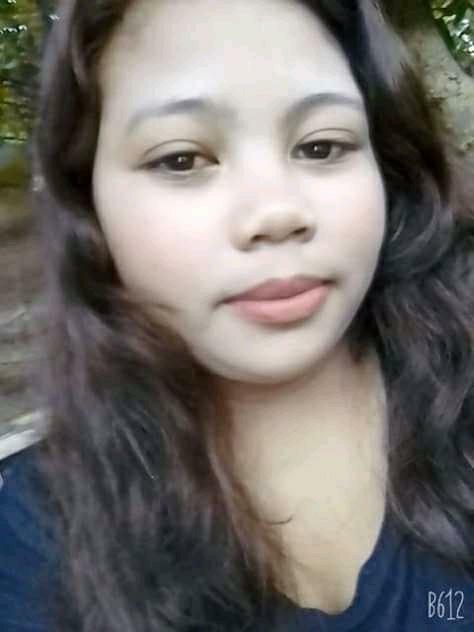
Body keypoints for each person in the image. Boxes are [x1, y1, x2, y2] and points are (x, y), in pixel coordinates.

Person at [1, 0, 473, 630]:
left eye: (322, 146)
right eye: (181, 159)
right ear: (88, 204)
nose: (276, 212)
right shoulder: (34, 530)